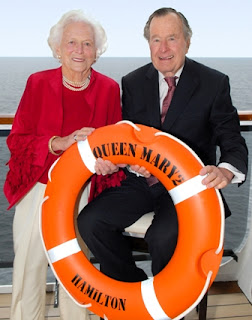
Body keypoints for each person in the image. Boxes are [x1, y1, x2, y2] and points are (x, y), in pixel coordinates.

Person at [77, 6, 248, 289]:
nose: (164, 48)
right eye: (156, 39)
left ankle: (169, 310)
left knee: (162, 236)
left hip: (187, 187)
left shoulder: (214, 83)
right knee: (90, 221)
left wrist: (226, 170)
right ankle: (133, 288)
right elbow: (126, 137)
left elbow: (232, 139)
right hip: (141, 183)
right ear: (148, 44)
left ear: (187, 41)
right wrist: (121, 160)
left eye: (172, 38)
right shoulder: (132, 82)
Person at [4, 9, 125, 320]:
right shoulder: (37, 83)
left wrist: (110, 163)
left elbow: (117, 149)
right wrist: (58, 141)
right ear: (57, 48)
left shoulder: (110, 89)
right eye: (71, 42)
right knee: (29, 268)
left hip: (83, 193)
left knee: (77, 270)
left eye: (87, 44)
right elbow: (16, 141)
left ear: (96, 52)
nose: (79, 51)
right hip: (38, 188)